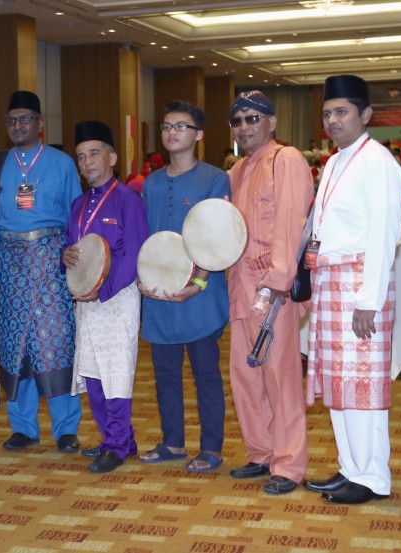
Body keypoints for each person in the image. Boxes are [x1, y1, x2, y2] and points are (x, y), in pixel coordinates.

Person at [304, 75, 401, 504]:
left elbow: (383, 235)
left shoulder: (379, 162)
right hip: (332, 285)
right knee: (340, 384)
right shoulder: (334, 161)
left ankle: (373, 477)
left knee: (363, 386)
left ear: (365, 115)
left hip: (361, 288)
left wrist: (369, 300)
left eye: (342, 111)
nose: (333, 120)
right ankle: (350, 468)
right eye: (328, 113)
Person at [225, 91, 313, 494]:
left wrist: (278, 283)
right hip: (239, 288)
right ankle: (260, 453)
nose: (245, 127)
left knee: (281, 377)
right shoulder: (237, 170)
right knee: (245, 374)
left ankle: (289, 465)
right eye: (239, 120)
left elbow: (291, 223)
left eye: (253, 118)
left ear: (272, 123)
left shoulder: (286, 160)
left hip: (271, 290)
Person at [0, 91, 81, 453]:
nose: (18, 126)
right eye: (12, 120)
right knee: (16, 347)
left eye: (25, 119)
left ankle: (66, 429)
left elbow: (75, 220)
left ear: (41, 124)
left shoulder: (61, 162)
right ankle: (24, 427)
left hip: (52, 263)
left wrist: (75, 271)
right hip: (11, 263)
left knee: (55, 344)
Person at [138, 101, 229, 473]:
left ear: (199, 135)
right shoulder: (151, 183)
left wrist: (198, 282)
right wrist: (144, 279)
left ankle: (211, 448)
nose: (172, 132)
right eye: (166, 125)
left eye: (181, 126)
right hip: (159, 292)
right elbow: (146, 236)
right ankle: (173, 441)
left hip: (200, 294)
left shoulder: (215, 178)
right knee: (165, 374)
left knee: (206, 373)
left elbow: (218, 236)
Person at [62, 120, 147, 474]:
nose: (87, 162)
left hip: (118, 299)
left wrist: (106, 291)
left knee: (116, 372)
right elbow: (72, 248)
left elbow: (136, 253)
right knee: (94, 375)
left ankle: (115, 444)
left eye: (94, 154)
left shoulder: (129, 200)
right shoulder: (79, 205)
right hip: (87, 302)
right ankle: (120, 440)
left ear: (112, 157)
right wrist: (63, 255)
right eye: (81, 157)